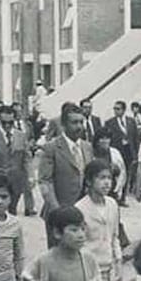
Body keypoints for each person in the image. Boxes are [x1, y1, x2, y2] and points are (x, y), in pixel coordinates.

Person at [38, 102, 92, 246]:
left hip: (82, 213)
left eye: (81, 122)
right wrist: (57, 210)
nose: (79, 126)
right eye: (74, 122)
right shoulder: (52, 148)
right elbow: (45, 182)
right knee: (58, 257)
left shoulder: (87, 147)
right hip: (58, 213)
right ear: (63, 124)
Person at [75, 160, 124, 281]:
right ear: (89, 181)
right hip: (86, 269)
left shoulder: (112, 204)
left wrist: (118, 260)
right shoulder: (80, 209)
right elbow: (77, 244)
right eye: (102, 178)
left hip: (107, 268)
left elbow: (114, 236)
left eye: (109, 178)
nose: (107, 182)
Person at [0, 105, 33, 216]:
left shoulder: (21, 136)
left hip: (16, 180)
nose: (7, 126)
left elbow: (26, 158)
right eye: (4, 122)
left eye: (10, 122)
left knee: (12, 210)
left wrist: (30, 176)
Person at [105, 101, 139, 203]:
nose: (116, 111)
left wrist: (136, 153)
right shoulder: (110, 122)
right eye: (115, 109)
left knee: (127, 174)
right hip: (117, 152)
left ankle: (123, 197)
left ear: (123, 110)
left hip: (129, 151)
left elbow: (135, 138)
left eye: (118, 109)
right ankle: (114, 195)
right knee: (116, 173)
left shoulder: (131, 121)